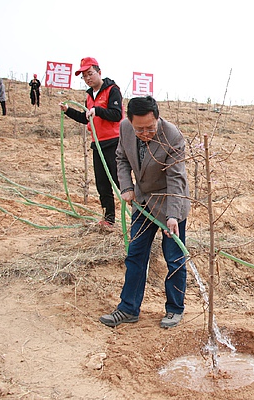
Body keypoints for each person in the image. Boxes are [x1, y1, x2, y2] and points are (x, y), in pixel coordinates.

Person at [99, 95, 190, 329]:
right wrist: (126, 187)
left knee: (174, 258)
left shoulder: (172, 136)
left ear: (157, 118)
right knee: (135, 255)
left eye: (150, 128)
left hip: (170, 202)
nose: (145, 133)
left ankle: (174, 309)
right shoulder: (125, 128)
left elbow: (176, 179)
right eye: (140, 129)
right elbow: (121, 158)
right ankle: (128, 308)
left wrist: (173, 216)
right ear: (130, 122)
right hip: (142, 202)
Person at [59, 57, 122, 227]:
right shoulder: (89, 95)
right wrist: (68, 111)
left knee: (119, 181)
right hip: (97, 143)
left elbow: (117, 114)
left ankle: (138, 213)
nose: (87, 78)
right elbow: (85, 117)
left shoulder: (112, 90)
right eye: (84, 76)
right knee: (102, 183)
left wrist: (98, 110)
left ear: (99, 72)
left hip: (113, 142)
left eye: (90, 74)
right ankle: (109, 219)